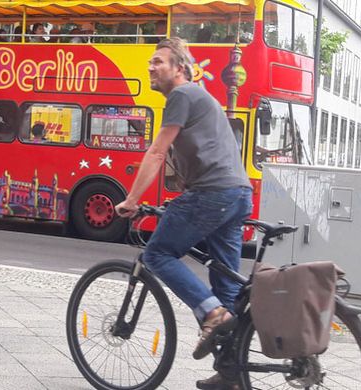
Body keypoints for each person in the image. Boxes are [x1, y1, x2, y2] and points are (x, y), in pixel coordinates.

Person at [114, 37, 252, 390]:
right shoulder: (200, 98)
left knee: (158, 253)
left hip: (213, 194)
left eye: (159, 61)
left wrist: (131, 199)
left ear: (179, 68)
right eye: (150, 62)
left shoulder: (182, 95)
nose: (151, 67)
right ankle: (231, 375)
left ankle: (211, 313)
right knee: (225, 288)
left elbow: (157, 151)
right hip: (236, 196)